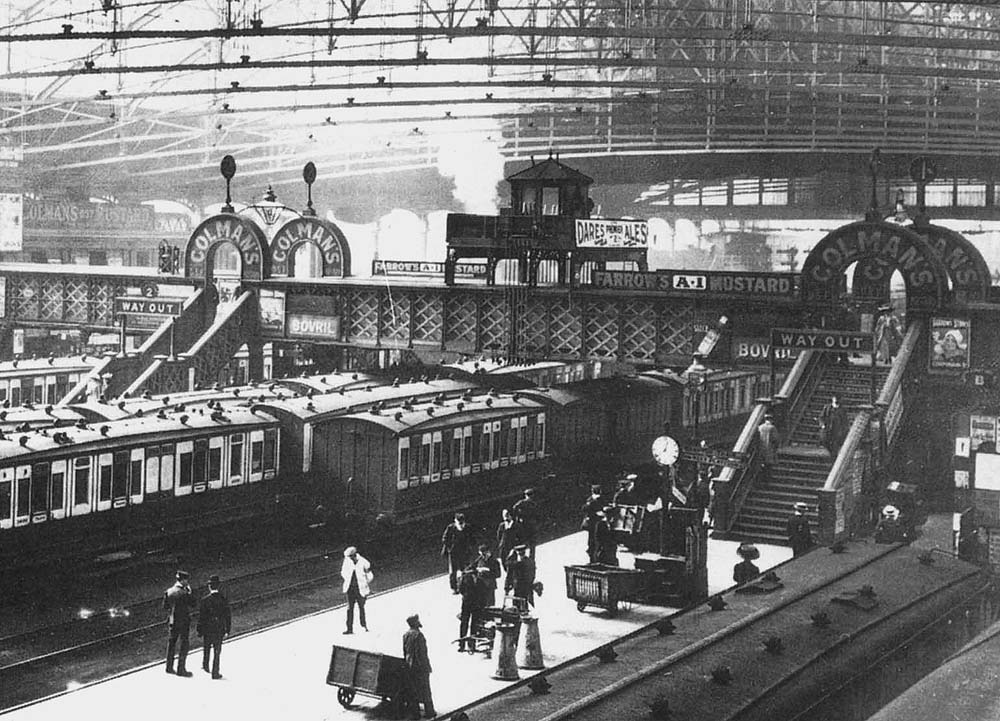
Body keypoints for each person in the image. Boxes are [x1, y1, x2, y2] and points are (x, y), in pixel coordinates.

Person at [196, 574, 232, 679]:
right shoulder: (223, 599)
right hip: (219, 628)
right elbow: (227, 616)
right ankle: (215, 672)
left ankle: (205, 665)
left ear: (209, 586)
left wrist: (199, 630)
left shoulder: (204, 600)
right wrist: (227, 630)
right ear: (218, 586)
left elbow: (201, 617)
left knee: (206, 647)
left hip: (208, 628)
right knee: (217, 651)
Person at [163, 570, 196, 676]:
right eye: (186, 580)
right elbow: (193, 604)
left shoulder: (169, 591)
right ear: (183, 580)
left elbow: (165, 607)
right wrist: (190, 592)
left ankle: (169, 667)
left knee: (171, 644)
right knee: (184, 644)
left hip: (173, 621)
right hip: (184, 621)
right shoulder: (185, 592)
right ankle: (181, 669)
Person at [402, 614, 436, 719]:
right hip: (420, 667)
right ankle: (429, 712)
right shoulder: (419, 635)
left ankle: (415, 713)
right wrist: (426, 667)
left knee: (413, 690)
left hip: (409, 666)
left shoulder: (406, 635)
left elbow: (405, 651)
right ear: (416, 623)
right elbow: (422, 654)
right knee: (425, 689)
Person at [341, 546, 373, 634]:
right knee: (349, 608)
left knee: (361, 608)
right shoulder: (347, 561)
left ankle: (363, 625)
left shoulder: (363, 562)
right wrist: (348, 579)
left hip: (360, 588)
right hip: (350, 588)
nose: (349, 558)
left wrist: (365, 583)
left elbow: (369, 575)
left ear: (354, 555)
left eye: (351, 557)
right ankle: (349, 628)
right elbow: (343, 572)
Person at [440, 513, 474, 594]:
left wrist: (470, 546)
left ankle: (465, 585)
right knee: (453, 571)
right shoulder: (451, 528)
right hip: (453, 552)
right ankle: (454, 588)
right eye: (459, 523)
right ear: (455, 522)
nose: (461, 525)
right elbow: (444, 538)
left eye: (462, 523)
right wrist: (450, 547)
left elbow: (472, 538)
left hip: (464, 552)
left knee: (465, 569)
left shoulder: (467, 527)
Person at [456, 570, 487, 653]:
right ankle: (461, 644)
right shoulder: (465, 579)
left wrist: (482, 605)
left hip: (476, 606)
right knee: (464, 623)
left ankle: (471, 645)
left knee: (474, 625)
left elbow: (484, 594)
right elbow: (461, 590)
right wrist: (466, 597)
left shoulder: (480, 581)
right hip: (466, 604)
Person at [468, 542, 501, 607]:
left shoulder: (494, 561)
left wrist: (486, 571)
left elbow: (498, 574)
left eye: (484, 554)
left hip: (489, 586)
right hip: (480, 584)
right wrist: (469, 570)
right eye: (481, 554)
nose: (483, 556)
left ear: (488, 552)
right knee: (480, 604)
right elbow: (472, 566)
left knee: (490, 605)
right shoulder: (480, 559)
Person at [512, 488, 540, 557]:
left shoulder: (522, 502)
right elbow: (537, 515)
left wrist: (518, 517)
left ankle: (522, 556)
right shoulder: (533, 504)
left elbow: (514, 507)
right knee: (532, 544)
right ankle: (531, 558)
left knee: (523, 542)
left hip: (523, 525)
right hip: (531, 525)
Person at [496, 508, 523, 572]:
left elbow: (521, 537)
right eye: (505, 517)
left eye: (508, 516)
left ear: (511, 516)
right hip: (503, 547)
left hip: (512, 547)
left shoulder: (516, 525)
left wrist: (516, 546)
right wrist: (502, 544)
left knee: (512, 563)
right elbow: (499, 536)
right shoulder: (502, 525)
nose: (506, 519)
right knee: (504, 562)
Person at [757, 413, 779, 483]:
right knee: (769, 465)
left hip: (761, 449)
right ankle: (768, 480)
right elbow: (776, 439)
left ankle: (761, 479)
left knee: (762, 464)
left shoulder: (760, 427)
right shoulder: (772, 428)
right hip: (769, 449)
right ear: (771, 420)